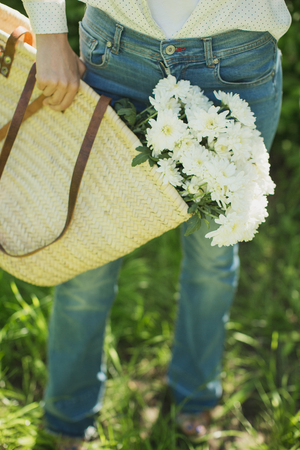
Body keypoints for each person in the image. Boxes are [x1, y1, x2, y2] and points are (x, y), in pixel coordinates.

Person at [20, 0, 291, 449]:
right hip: (116, 52)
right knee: (86, 255)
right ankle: (68, 415)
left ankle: (194, 393)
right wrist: (49, 33)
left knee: (212, 252)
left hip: (236, 57)